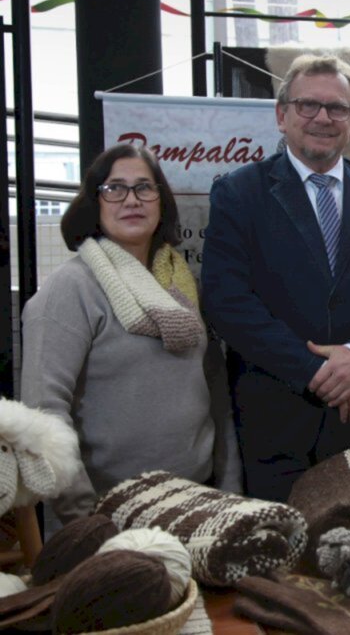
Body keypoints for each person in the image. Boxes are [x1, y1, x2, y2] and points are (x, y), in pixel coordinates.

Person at [201, 54, 350, 502]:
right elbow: (227, 301)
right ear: (281, 115)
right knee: (279, 558)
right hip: (276, 418)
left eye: (337, 108)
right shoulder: (239, 192)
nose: (322, 118)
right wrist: (322, 373)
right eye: (308, 105)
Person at [20, 143, 241, 526]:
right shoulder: (70, 289)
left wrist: (230, 486)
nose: (131, 200)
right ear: (95, 202)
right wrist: (84, 521)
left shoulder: (183, 285)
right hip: (107, 514)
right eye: (115, 188)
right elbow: (44, 413)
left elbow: (216, 394)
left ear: (161, 201)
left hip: (198, 501)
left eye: (144, 187)